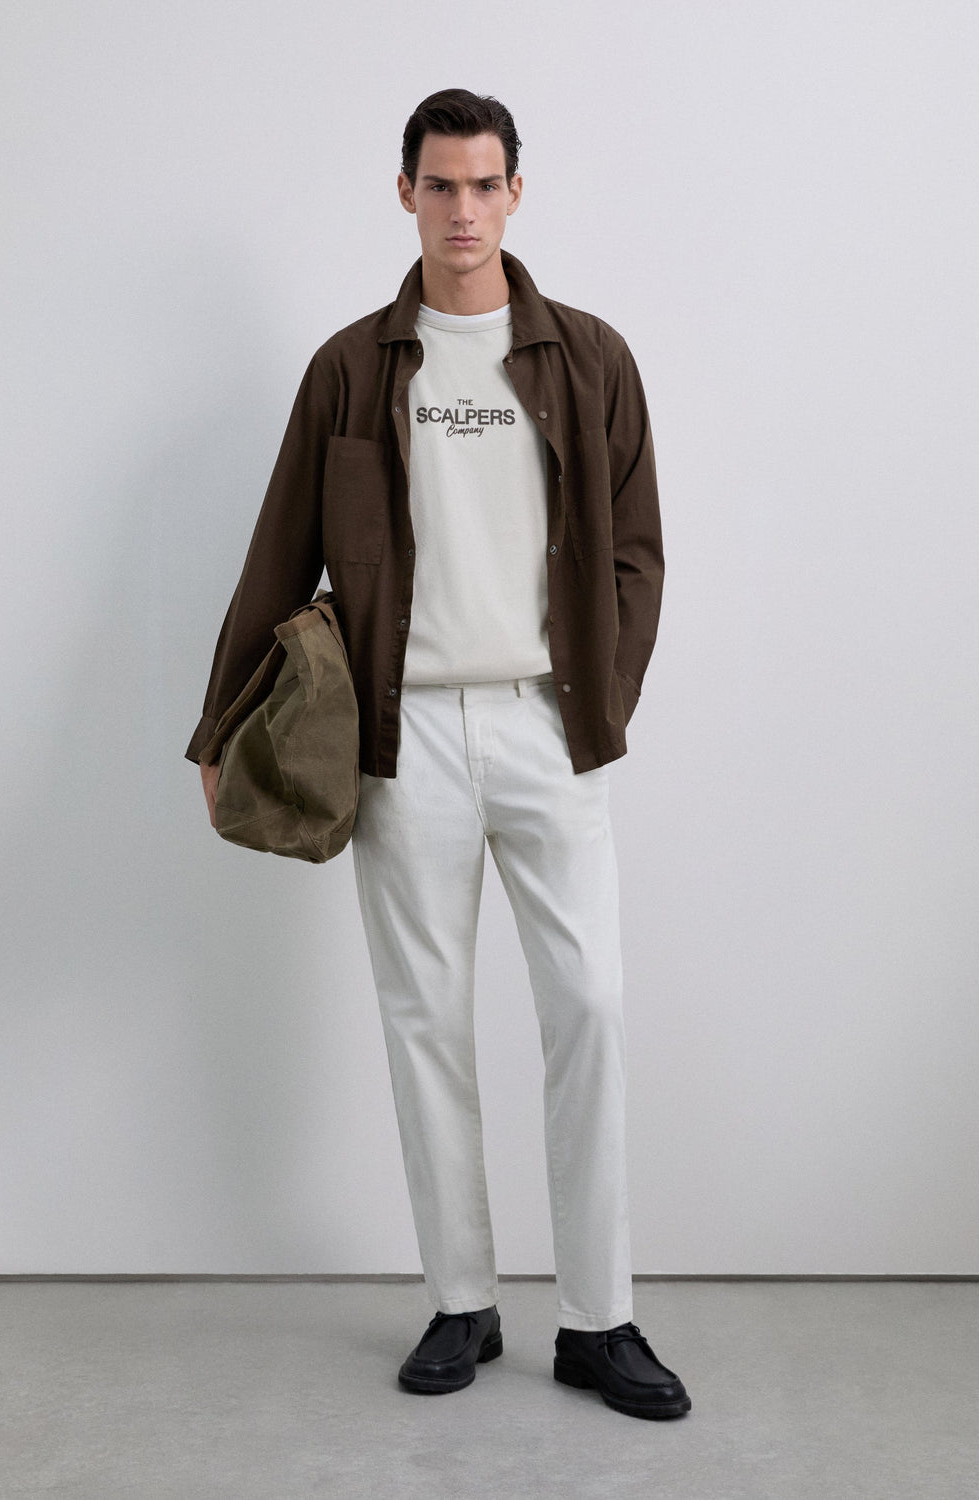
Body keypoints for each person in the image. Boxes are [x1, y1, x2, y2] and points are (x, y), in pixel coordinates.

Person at [187, 88, 690, 1421]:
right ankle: (462, 1300)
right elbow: (280, 543)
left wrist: (604, 700)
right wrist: (219, 720)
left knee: (590, 1006)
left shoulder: (589, 357)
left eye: (484, 185)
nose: (463, 211)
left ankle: (599, 1319)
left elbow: (638, 549)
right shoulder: (353, 369)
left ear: (516, 192)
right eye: (440, 185)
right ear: (405, 191)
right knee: (427, 1019)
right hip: (401, 732)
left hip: (547, 723)